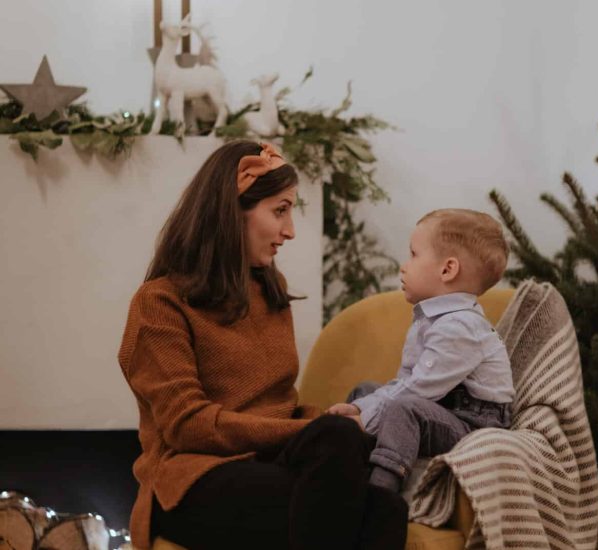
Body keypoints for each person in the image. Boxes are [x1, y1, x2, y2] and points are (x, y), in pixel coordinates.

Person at [118, 140, 408, 550]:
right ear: (232, 212)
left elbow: (277, 406)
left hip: (266, 463)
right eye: (280, 210)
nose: (289, 231)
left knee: (379, 496)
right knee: (351, 482)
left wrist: (331, 419)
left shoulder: (268, 291)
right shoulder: (159, 303)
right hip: (190, 481)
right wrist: (308, 429)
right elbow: (187, 426)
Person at [328, 209, 514, 492]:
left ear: (447, 270)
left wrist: (365, 420)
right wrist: (360, 408)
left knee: (403, 409)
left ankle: (381, 490)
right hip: (443, 407)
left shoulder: (460, 327)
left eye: (414, 255)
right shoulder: (430, 319)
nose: (405, 266)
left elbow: (417, 392)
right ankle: (351, 461)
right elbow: (406, 383)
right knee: (365, 391)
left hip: (474, 425)